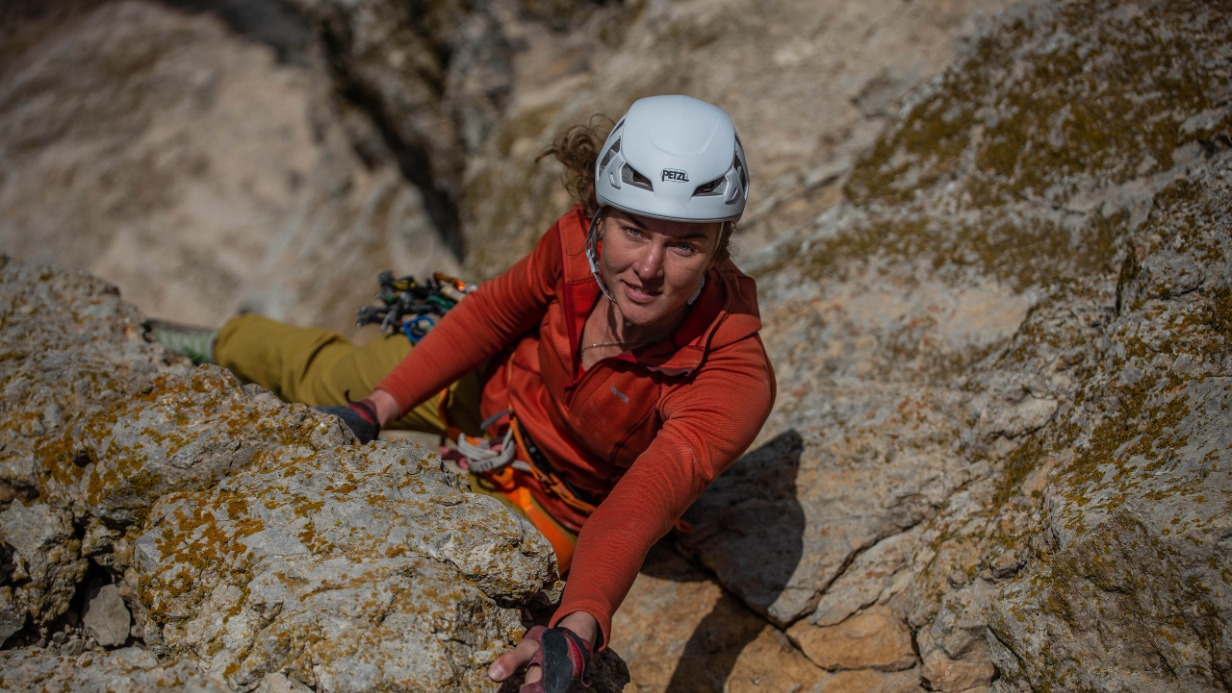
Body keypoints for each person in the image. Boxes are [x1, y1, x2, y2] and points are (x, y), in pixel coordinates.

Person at [151, 94, 775, 691]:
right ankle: (214, 343)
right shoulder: (572, 244)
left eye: (684, 246)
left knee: (451, 572)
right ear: (601, 216)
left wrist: (580, 623)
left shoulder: (731, 373)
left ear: (717, 248)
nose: (648, 268)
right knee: (333, 377)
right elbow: (494, 314)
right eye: (634, 231)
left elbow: (644, 499)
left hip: (558, 501)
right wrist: (379, 406)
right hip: (491, 389)